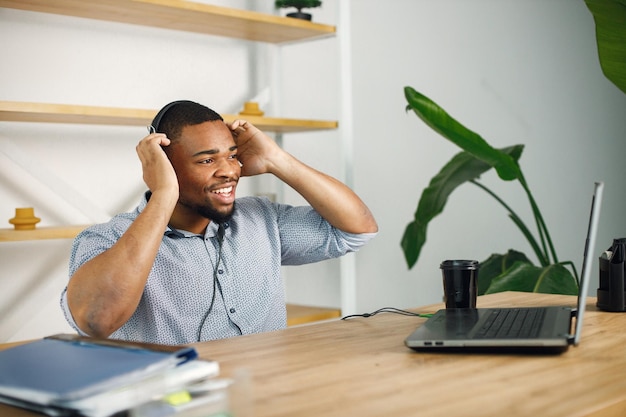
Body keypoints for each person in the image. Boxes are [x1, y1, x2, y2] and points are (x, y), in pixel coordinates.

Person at [60, 100, 378, 345]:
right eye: (207, 160)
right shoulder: (106, 240)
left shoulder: (262, 219)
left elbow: (357, 228)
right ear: (163, 166)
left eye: (233, 155)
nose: (229, 170)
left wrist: (276, 160)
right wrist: (164, 191)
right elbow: (98, 320)